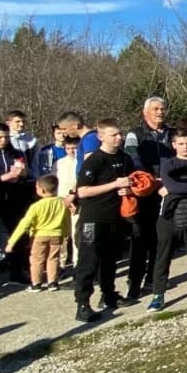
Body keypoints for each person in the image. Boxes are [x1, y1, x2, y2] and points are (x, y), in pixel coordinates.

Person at [73, 119, 136, 322]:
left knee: (110, 259)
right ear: (101, 137)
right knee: (89, 260)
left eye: (120, 134)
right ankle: (82, 304)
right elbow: (82, 191)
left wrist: (127, 188)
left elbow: (128, 182)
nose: (119, 137)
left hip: (115, 216)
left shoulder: (125, 159)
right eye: (114, 135)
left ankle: (108, 295)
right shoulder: (94, 160)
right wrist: (113, 185)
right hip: (93, 217)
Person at [148, 128, 187, 311]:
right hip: (169, 216)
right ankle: (158, 295)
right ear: (174, 145)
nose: (185, 147)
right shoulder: (168, 164)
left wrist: (178, 188)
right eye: (181, 144)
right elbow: (172, 185)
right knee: (163, 256)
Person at [124, 96, 172, 301]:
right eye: (155, 109)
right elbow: (132, 160)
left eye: (162, 108)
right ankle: (134, 284)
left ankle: (154, 280)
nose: (160, 112)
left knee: (161, 240)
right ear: (146, 112)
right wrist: (153, 181)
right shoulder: (135, 134)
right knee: (140, 239)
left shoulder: (171, 133)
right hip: (144, 193)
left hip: (167, 192)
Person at [0, 122, 33, 283]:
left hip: (13, 199)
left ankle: (16, 270)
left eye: (6, 137)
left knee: (16, 234)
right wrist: (1, 178)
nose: (3, 140)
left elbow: (25, 170)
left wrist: (22, 173)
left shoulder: (15, 153)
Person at [5, 173, 70, 291]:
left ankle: (36, 283)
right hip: (57, 234)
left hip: (39, 235)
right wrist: (67, 233)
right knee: (53, 258)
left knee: (36, 259)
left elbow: (24, 224)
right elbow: (67, 218)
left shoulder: (36, 206)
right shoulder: (62, 202)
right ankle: (52, 282)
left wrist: (11, 242)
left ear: (43, 190)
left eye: (37, 188)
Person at [54, 135, 81, 268]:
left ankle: (77, 262)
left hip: (77, 201)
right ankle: (61, 264)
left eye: (74, 148)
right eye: (68, 148)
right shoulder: (59, 163)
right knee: (62, 236)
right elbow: (54, 183)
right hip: (61, 200)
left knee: (76, 234)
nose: (71, 151)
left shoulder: (81, 162)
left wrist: (74, 199)